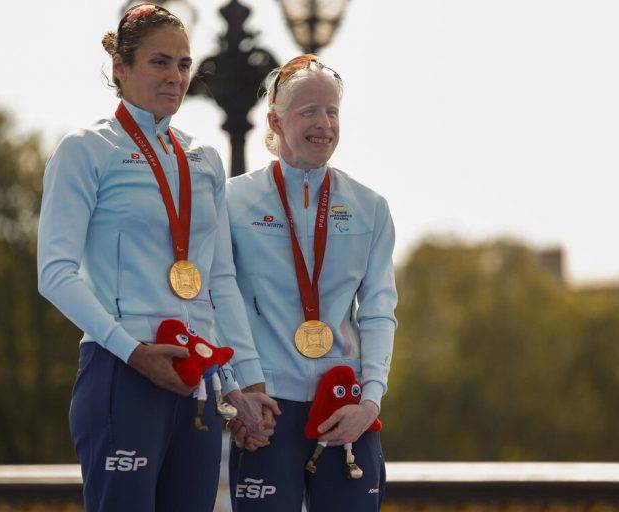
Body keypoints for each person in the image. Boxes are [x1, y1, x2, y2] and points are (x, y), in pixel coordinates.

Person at [36, 4, 278, 510]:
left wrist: (244, 384)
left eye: (184, 64)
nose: (175, 77)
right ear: (120, 69)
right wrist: (133, 352)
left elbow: (220, 282)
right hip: (122, 371)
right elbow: (55, 275)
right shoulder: (86, 150)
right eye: (160, 62)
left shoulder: (204, 159)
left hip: (199, 378)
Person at [224, 54, 398, 511]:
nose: (324, 123)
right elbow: (216, 302)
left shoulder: (369, 206)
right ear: (275, 121)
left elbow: (379, 312)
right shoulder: (231, 200)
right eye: (308, 111)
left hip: (344, 406)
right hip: (267, 409)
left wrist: (371, 402)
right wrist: (236, 391)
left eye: (332, 111)